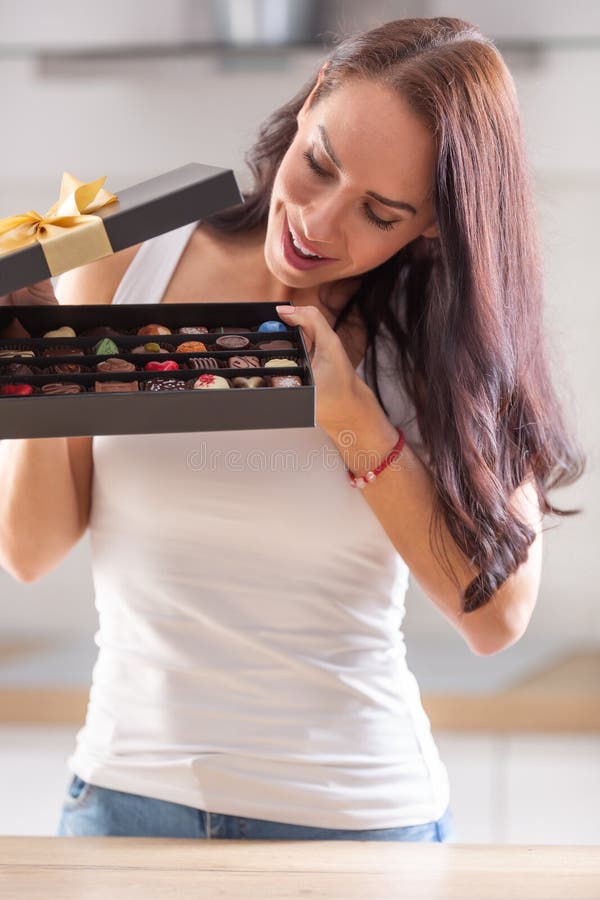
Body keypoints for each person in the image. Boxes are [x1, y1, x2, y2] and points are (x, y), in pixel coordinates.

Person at [0, 17, 585, 841]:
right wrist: (39, 368)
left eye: (379, 212)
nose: (317, 221)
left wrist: (348, 413)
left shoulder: (441, 335)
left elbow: (496, 619)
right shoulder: (127, 261)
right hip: (123, 802)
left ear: (432, 225)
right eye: (319, 164)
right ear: (312, 101)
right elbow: (31, 551)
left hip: (354, 824)